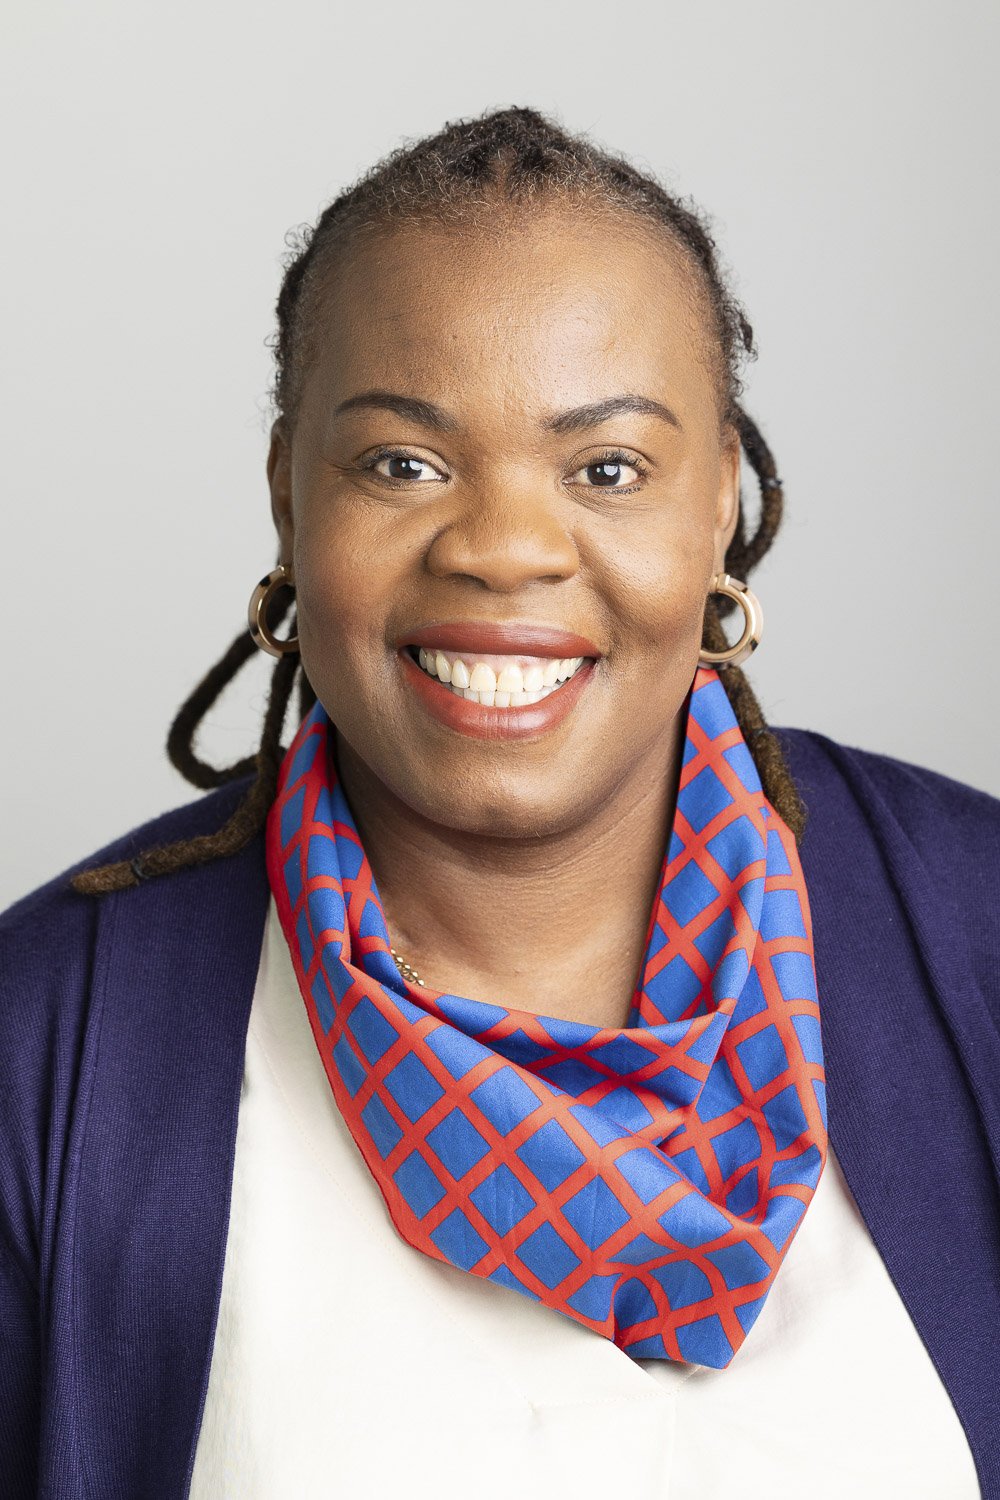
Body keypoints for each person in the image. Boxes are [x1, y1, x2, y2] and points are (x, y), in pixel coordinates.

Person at [2, 105, 998, 1500]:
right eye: (403, 464)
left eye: (607, 469)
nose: (505, 550)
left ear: (721, 504)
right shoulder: (44, 1051)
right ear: (290, 503)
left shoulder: (977, 932)